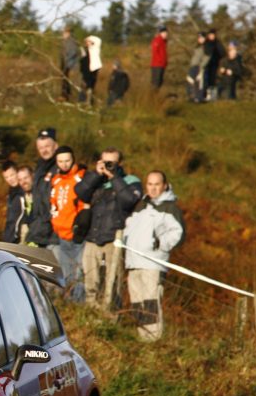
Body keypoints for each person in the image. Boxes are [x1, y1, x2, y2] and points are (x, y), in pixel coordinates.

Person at [75, 147, 143, 313]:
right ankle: (91, 316)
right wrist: (95, 174)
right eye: (105, 162)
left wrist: (114, 178)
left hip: (114, 239)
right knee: (90, 282)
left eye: (111, 163)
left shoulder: (130, 180)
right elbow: (80, 192)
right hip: (92, 237)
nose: (108, 166)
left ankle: (111, 318)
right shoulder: (96, 180)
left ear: (120, 163)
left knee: (112, 286)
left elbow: (129, 201)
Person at [123, 171, 185, 341]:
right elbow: (128, 227)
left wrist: (159, 243)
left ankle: (153, 339)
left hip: (153, 264)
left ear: (164, 185)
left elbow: (178, 233)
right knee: (137, 303)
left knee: (151, 302)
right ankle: (141, 337)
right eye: (150, 184)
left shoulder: (170, 208)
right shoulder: (141, 206)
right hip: (133, 262)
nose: (153, 188)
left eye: (157, 184)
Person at [48, 146, 88, 301]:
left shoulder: (81, 177)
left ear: (73, 160)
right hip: (62, 235)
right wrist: (56, 224)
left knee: (79, 274)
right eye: (60, 161)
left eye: (67, 160)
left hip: (78, 235)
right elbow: (54, 204)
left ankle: (79, 306)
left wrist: (80, 226)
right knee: (67, 274)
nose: (64, 164)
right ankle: (70, 306)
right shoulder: (56, 180)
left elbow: (84, 203)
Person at [25, 127, 59, 249]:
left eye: (47, 146)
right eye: (40, 147)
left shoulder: (60, 167)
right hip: (39, 231)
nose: (44, 150)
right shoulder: (39, 168)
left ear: (55, 145)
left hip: (55, 234)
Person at [0, 160, 30, 244]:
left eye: (12, 175)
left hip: (21, 240)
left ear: (17, 172)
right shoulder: (11, 193)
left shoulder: (24, 192)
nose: (10, 179)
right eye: (6, 177)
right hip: (9, 240)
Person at [79, 35, 103, 105]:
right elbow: (83, 62)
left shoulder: (95, 49)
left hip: (92, 70)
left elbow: (98, 40)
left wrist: (89, 38)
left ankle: (88, 101)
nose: (87, 43)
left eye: (88, 42)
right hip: (86, 71)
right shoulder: (86, 50)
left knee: (90, 86)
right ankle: (84, 101)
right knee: (85, 86)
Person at [203, 29, 224, 102]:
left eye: (213, 35)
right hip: (206, 64)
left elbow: (222, 53)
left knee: (213, 80)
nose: (211, 36)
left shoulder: (217, 43)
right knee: (206, 80)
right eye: (210, 35)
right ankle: (206, 95)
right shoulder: (206, 43)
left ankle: (213, 96)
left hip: (215, 64)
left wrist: (217, 58)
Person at [60, 27, 80, 101]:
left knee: (68, 80)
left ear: (68, 33)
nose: (63, 34)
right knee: (64, 79)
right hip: (65, 64)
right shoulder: (65, 41)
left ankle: (67, 96)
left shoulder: (71, 41)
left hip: (70, 65)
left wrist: (67, 59)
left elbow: (74, 52)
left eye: (64, 33)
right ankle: (65, 95)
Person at [187, 32, 207, 102]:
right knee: (190, 80)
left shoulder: (206, 47)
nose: (200, 39)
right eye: (199, 38)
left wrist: (201, 67)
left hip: (199, 66)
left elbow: (205, 58)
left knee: (199, 82)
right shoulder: (197, 47)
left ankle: (199, 97)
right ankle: (191, 96)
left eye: (202, 38)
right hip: (193, 66)